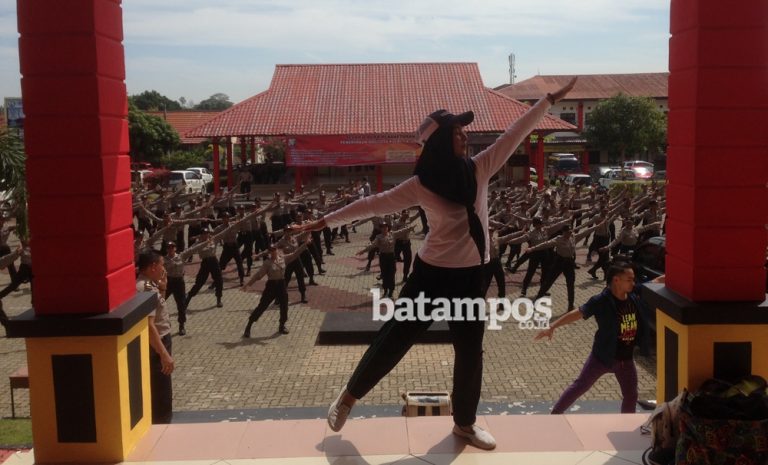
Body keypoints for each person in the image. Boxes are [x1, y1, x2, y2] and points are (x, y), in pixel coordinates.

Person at [293, 78, 577, 450]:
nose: (464, 136)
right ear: (441, 140)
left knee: (471, 352)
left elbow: (515, 133)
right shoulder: (421, 184)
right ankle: (347, 397)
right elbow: (371, 205)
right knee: (395, 338)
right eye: (457, 132)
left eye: (463, 130)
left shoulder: (480, 167)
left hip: (472, 276)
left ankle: (465, 424)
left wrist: (548, 101)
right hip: (431, 276)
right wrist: (322, 222)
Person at [535, 261, 650, 414]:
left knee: (631, 395)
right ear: (616, 280)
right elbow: (578, 313)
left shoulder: (633, 294)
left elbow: (655, 283)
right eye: (629, 279)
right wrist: (553, 326)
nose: (633, 282)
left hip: (625, 360)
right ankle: (554, 415)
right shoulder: (601, 301)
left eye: (633, 279)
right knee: (580, 386)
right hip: (602, 357)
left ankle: (626, 422)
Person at [241, 237, 311, 337]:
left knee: (284, 307)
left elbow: (295, 253)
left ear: (277, 250)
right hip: (271, 286)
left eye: (274, 249)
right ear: (269, 252)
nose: (273, 251)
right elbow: (258, 275)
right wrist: (248, 285)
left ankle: (282, 325)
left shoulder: (283, 258)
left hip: (281, 285)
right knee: (262, 306)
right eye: (271, 250)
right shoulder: (267, 263)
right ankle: (249, 325)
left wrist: (305, 244)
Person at [136, 250, 175, 424]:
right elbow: (149, 326)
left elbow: (158, 309)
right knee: (161, 391)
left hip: (158, 340)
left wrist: (163, 287)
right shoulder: (146, 290)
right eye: (161, 265)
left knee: (159, 387)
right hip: (157, 343)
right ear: (153, 267)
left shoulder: (149, 285)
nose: (163, 268)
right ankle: (162, 425)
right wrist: (164, 355)